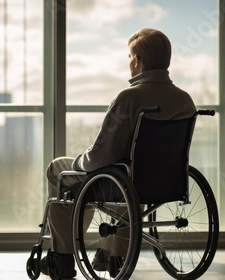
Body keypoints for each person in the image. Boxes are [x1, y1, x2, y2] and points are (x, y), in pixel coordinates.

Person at [42, 28, 196, 278]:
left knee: (59, 170)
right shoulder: (185, 100)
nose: (129, 63)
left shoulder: (129, 98)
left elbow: (100, 156)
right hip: (166, 180)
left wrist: (81, 161)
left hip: (121, 180)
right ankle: (114, 253)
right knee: (126, 180)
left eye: (129, 57)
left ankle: (62, 256)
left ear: (137, 60)